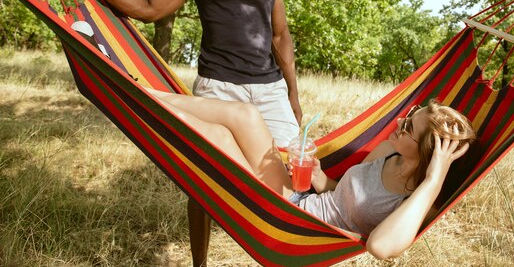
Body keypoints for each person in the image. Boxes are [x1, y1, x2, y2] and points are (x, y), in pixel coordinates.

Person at [47, 0, 302, 267]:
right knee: (205, 180)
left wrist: (293, 97)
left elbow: (281, 35)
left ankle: (295, 250)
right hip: (219, 88)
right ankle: (200, 263)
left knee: (297, 176)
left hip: (270, 89)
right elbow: (149, 8)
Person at [146, 87, 476, 260]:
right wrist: (320, 178)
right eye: (408, 116)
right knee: (246, 114)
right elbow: (339, 191)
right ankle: (145, 92)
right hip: (297, 197)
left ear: (426, 153)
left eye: (407, 128)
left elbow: (381, 247)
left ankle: (142, 105)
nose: (398, 124)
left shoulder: (416, 202)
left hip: (289, 224)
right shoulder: (389, 152)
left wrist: (433, 180)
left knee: (218, 139)